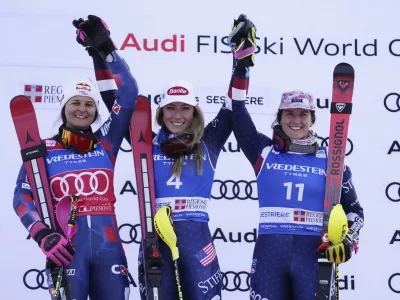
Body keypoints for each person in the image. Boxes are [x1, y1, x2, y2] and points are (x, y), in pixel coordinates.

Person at [226, 15, 365, 300]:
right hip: (270, 255)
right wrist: (240, 67)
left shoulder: (333, 160)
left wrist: (349, 241)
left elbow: (355, 213)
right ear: (280, 117)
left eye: (303, 114)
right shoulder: (263, 151)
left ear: (312, 119)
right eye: (289, 114)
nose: (296, 120)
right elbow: (237, 113)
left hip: (313, 254)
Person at [13, 15, 138, 300]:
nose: (82, 110)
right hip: (67, 252)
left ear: (95, 111)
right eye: (75, 103)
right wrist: (42, 234)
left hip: (110, 250)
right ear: (64, 107)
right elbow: (21, 199)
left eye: (89, 104)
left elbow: (129, 93)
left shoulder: (105, 142)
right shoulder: (42, 149)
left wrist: (106, 50)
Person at [100, 78, 238, 298]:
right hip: (154, 241)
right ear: (161, 112)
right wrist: (101, 55)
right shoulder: (144, 143)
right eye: (170, 108)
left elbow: (233, 105)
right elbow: (113, 102)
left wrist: (240, 65)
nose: (177, 115)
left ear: (195, 112)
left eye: (185, 108)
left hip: (197, 244)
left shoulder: (209, 141)